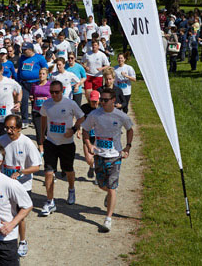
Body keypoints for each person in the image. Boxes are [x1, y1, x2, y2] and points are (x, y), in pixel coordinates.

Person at [82, 88, 134, 232]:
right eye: (101, 100)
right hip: (99, 154)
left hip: (115, 155)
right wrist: (89, 145)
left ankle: (108, 219)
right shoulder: (94, 114)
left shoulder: (120, 116)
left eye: (105, 100)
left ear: (113, 101)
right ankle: (108, 194)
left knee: (112, 188)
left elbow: (130, 129)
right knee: (101, 185)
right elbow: (85, 129)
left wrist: (127, 147)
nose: (102, 103)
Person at [0, 115, 41, 257]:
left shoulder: (27, 143)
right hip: (5, 184)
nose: (9, 131)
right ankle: (3, 239)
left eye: (12, 128)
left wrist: (21, 172)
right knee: (4, 213)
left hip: (23, 186)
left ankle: (22, 241)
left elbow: (36, 167)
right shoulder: (1, 140)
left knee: (20, 216)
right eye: (7, 128)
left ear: (19, 128)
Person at [40, 80, 85, 216]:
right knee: (48, 172)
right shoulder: (47, 104)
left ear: (62, 91)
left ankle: (71, 189)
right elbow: (43, 118)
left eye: (57, 92)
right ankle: (50, 201)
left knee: (68, 170)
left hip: (66, 144)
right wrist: (42, 135)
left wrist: (73, 129)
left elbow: (82, 117)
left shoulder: (70, 103)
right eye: (52, 92)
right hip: (51, 143)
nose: (54, 95)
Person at [17, 43, 48, 128]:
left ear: (30, 50)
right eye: (22, 49)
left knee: (36, 102)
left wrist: (44, 80)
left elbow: (46, 68)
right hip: (24, 83)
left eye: (25, 50)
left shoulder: (39, 58)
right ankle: (24, 120)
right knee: (24, 101)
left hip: (36, 83)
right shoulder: (22, 58)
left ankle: (37, 120)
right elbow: (20, 70)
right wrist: (18, 81)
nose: (23, 51)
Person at [30, 67, 50, 154]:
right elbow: (32, 94)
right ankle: (41, 149)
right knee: (39, 131)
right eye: (40, 74)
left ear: (47, 75)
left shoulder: (50, 85)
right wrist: (31, 97)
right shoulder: (34, 85)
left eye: (43, 74)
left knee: (47, 131)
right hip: (36, 111)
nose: (41, 75)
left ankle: (48, 147)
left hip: (47, 112)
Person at [80, 90, 100, 179]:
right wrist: (77, 130)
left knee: (98, 158)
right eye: (92, 101)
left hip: (99, 138)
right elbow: (79, 119)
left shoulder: (102, 109)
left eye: (96, 101)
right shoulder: (84, 108)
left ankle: (97, 176)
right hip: (87, 136)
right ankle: (91, 166)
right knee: (89, 159)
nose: (94, 103)